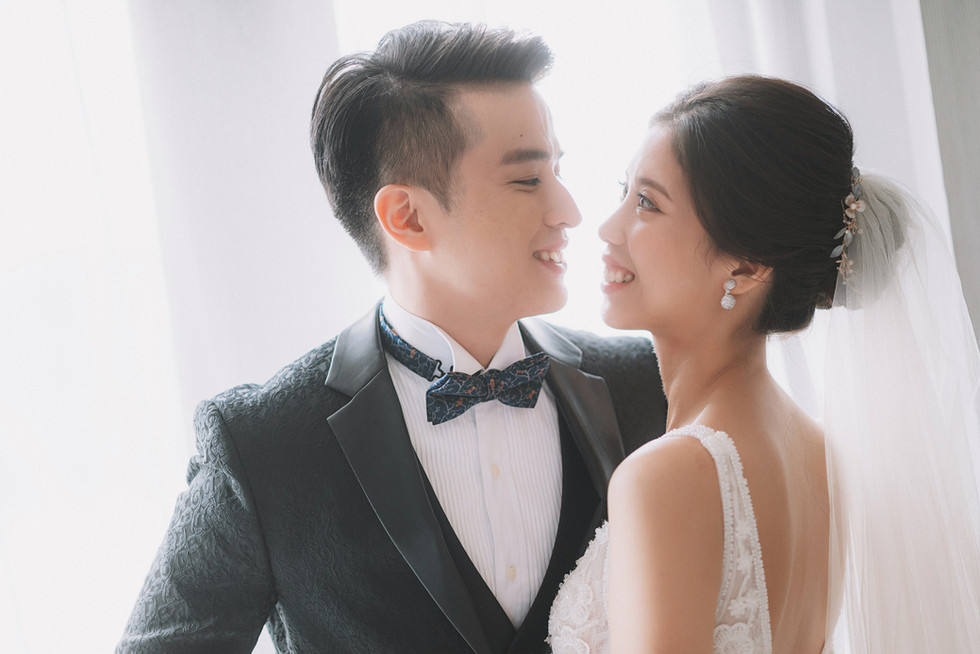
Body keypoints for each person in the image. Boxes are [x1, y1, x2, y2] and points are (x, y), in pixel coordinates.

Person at [117, 21, 668, 654]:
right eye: (527, 179)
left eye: (558, 170)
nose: (569, 210)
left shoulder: (644, 381)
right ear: (406, 217)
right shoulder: (262, 446)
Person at [548, 76, 980, 653]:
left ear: (746, 268)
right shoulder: (822, 457)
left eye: (648, 203)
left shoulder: (667, 476)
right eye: (625, 191)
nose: (607, 227)